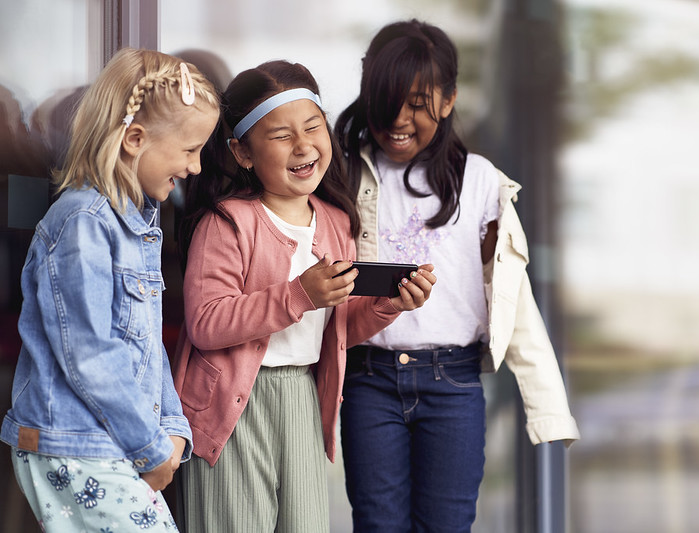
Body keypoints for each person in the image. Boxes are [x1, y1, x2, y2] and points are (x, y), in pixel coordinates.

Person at [334, 19, 581, 532]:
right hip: (368, 381)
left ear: (449, 100)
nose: (399, 118)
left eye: (419, 103)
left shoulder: (481, 182)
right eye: (387, 99)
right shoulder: (344, 175)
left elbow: (513, 296)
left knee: (448, 525)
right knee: (377, 524)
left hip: (453, 385)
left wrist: (547, 407)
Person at [171, 59, 435, 533]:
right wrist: (298, 295)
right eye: (280, 135)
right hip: (235, 407)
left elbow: (337, 329)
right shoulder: (226, 221)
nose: (303, 145)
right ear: (242, 152)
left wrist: (386, 305)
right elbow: (206, 323)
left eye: (313, 126)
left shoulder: (335, 221)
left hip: (303, 397)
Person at [0, 48, 220, 532]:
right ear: (135, 139)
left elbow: (143, 344)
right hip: (76, 444)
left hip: (112, 444)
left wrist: (172, 431)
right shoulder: (83, 223)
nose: (196, 167)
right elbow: (90, 353)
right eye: (189, 150)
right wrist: (151, 446)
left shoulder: (137, 225)